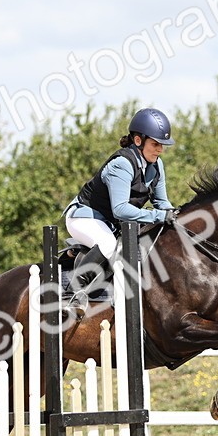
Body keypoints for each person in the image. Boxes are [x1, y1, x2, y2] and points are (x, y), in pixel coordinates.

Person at [63, 108, 180, 313]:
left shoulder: (157, 166)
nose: (160, 149)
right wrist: (160, 216)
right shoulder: (122, 164)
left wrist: (178, 216)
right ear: (138, 140)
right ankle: (72, 293)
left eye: (161, 145)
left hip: (110, 223)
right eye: (155, 144)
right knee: (108, 244)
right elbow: (121, 210)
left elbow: (162, 203)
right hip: (85, 217)